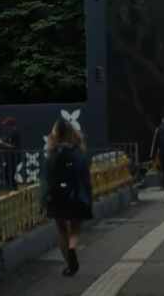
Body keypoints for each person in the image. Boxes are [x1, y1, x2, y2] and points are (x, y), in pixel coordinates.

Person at [41, 117, 93, 277]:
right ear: (72, 132)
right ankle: (72, 247)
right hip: (76, 196)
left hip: (57, 198)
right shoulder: (79, 153)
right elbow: (85, 177)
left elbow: (45, 181)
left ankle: (69, 264)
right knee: (75, 227)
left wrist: (41, 203)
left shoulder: (51, 155)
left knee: (61, 229)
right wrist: (88, 197)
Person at [0, 117, 23, 191]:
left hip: (14, 158)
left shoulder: (15, 134)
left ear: (10, 126)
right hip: (9, 159)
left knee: (10, 175)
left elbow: (14, 146)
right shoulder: (10, 134)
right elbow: (6, 139)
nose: (4, 127)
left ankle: (14, 190)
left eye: (6, 125)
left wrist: (2, 142)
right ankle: (11, 190)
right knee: (7, 175)